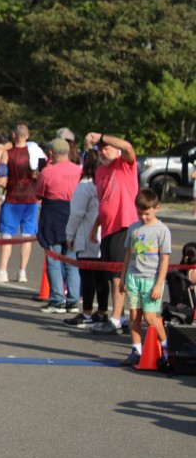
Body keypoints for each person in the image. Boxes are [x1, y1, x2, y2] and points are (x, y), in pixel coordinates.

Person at [85, 132, 138, 335]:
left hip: (124, 225)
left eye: (106, 148)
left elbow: (128, 147)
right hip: (108, 229)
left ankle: (115, 319)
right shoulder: (100, 171)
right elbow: (105, 202)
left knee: (118, 275)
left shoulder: (124, 164)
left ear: (115, 150)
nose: (103, 152)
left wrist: (102, 137)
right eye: (100, 150)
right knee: (111, 276)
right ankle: (121, 317)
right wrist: (95, 225)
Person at [118, 188, 171, 366]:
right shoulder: (133, 228)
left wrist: (159, 284)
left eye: (147, 213)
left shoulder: (162, 230)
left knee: (149, 317)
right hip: (133, 277)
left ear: (156, 208)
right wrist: (123, 277)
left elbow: (164, 259)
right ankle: (136, 350)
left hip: (151, 280)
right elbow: (128, 254)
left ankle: (165, 346)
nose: (143, 217)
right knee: (134, 316)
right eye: (140, 213)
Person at [0, 124, 39, 284]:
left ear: (14, 136)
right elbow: (41, 175)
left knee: (7, 236)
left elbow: (1, 181)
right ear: (27, 136)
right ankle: (22, 272)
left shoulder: (7, 154)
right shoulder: (36, 153)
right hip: (30, 200)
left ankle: (3, 271)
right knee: (26, 236)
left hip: (13, 198)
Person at [35, 138, 82, 314]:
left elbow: (39, 194)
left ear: (51, 153)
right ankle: (73, 300)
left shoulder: (48, 172)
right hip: (73, 213)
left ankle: (57, 299)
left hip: (53, 215)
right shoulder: (79, 170)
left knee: (53, 258)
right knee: (71, 259)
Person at [64, 150, 107, 327]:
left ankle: (87, 313)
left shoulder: (85, 186)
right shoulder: (104, 184)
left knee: (88, 277)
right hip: (104, 236)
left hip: (88, 236)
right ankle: (102, 312)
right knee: (102, 278)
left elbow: (76, 213)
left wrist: (69, 235)